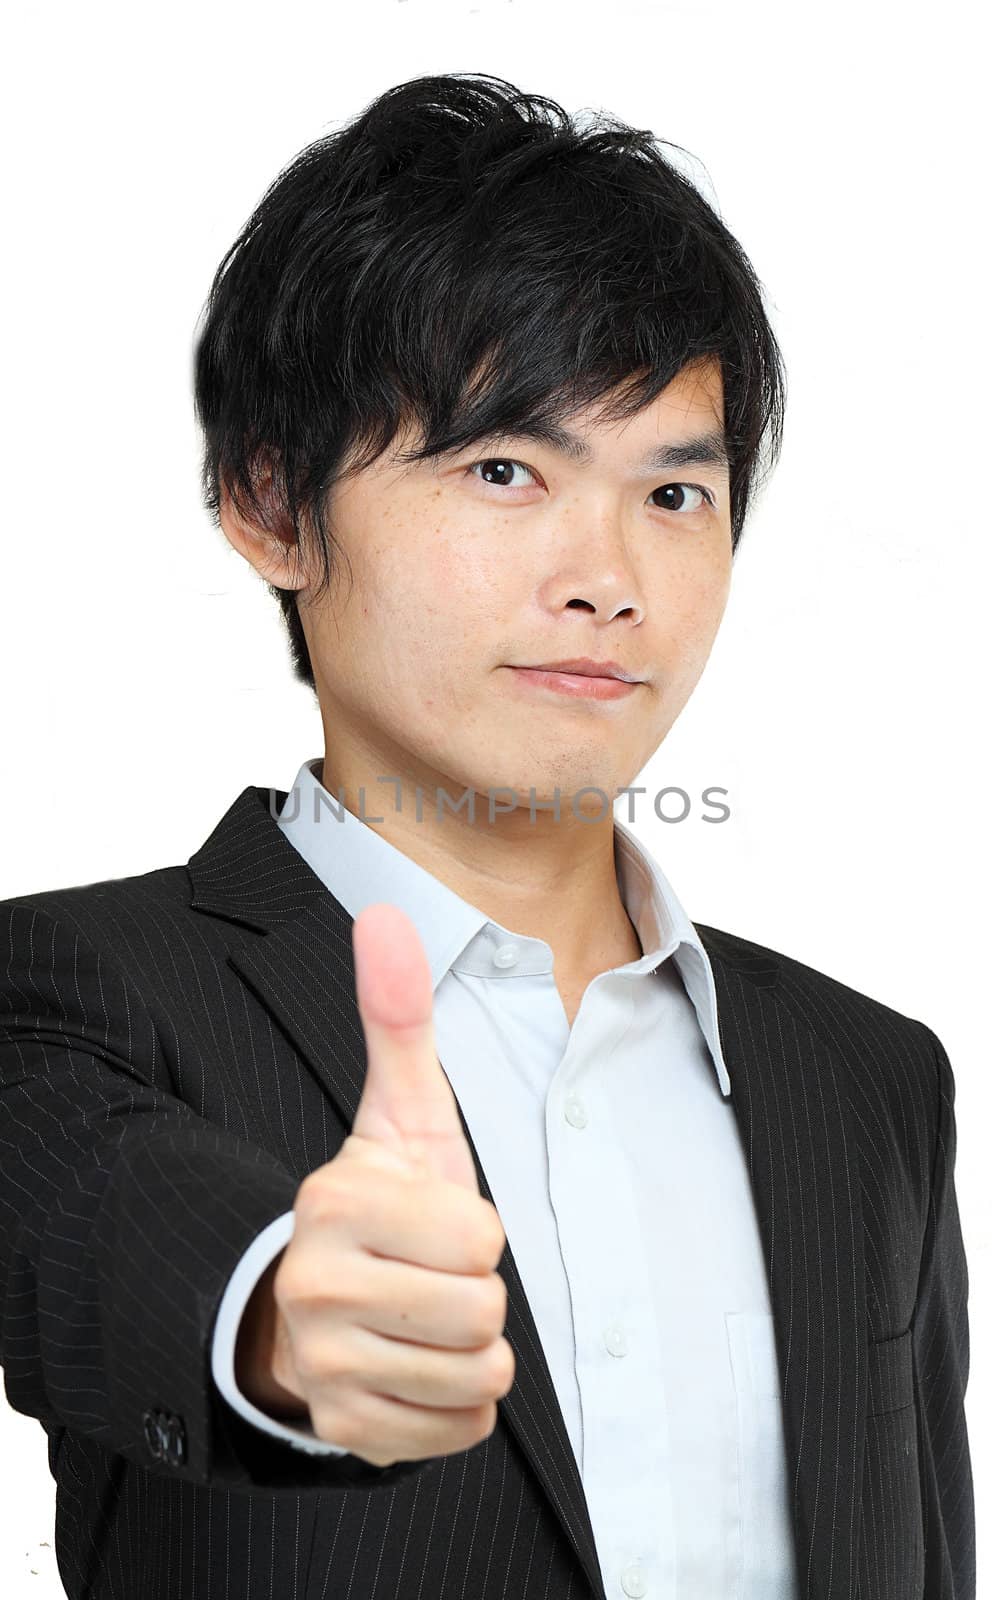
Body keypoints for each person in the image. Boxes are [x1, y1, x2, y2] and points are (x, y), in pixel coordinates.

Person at [0, 70, 974, 1600]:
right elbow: (83, 1219)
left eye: (673, 489)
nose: (607, 576)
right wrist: (271, 1307)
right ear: (270, 501)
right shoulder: (66, 985)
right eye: (506, 469)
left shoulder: (874, 1080)